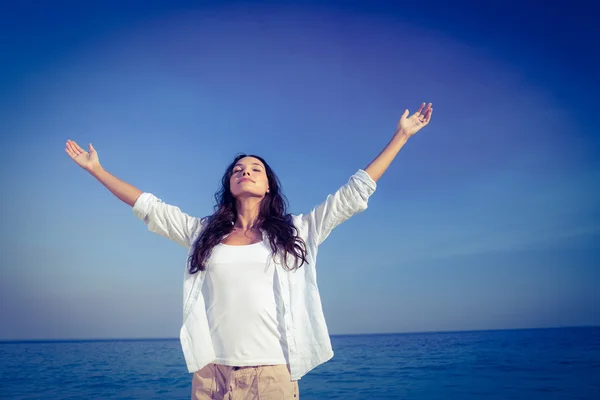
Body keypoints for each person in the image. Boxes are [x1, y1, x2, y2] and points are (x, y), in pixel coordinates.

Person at [65, 102, 433, 399]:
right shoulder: (201, 235)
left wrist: (400, 136)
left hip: (271, 375)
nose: (246, 171)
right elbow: (150, 206)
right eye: (238, 168)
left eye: (255, 168)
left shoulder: (299, 231)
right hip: (211, 376)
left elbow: (353, 194)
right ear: (229, 184)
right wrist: (97, 170)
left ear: (269, 185)